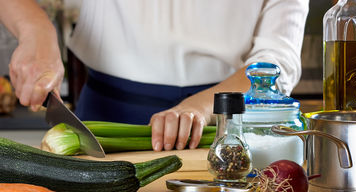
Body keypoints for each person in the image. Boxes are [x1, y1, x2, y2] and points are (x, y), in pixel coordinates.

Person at [0, 0, 309, 151]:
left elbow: (277, 60)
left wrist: (200, 107)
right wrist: (35, 31)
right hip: (107, 118)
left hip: (226, 128)